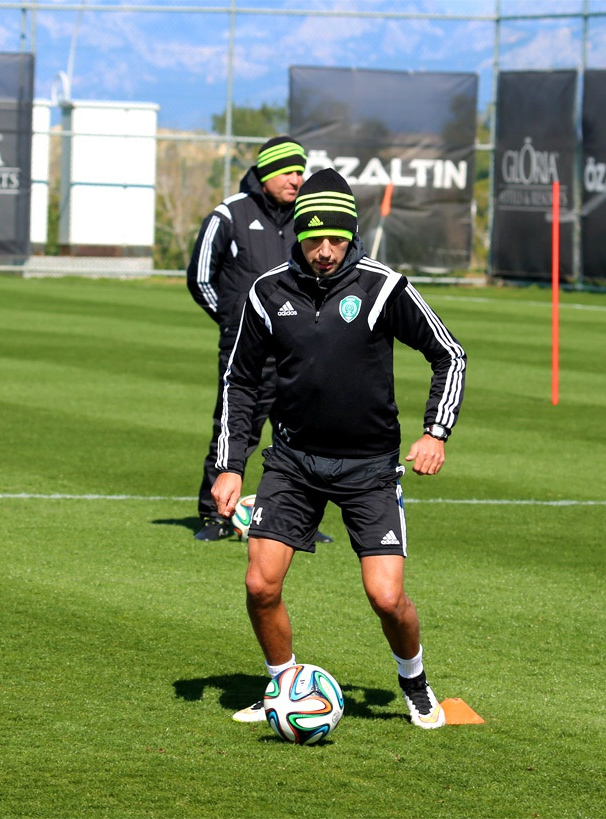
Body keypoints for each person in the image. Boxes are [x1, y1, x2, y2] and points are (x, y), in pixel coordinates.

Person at [210, 168, 467, 729]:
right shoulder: (267, 291)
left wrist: (435, 431)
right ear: (298, 234)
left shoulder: (383, 287)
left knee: (386, 598)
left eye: (336, 239)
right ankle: (285, 687)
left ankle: (415, 684)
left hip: (369, 469)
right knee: (260, 584)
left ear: (352, 234)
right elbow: (240, 381)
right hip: (293, 463)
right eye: (313, 239)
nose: (324, 251)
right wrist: (230, 465)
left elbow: (449, 354)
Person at [187, 135, 331, 544]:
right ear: (266, 173)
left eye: (300, 171)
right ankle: (215, 515)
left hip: (298, 352)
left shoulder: (308, 218)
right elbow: (200, 278)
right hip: (247, 351)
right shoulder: (229, 214)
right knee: (235, 431)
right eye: (288, 171)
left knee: (304, 436)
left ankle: (302, 521)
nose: (296, 179)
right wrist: (236, 323)